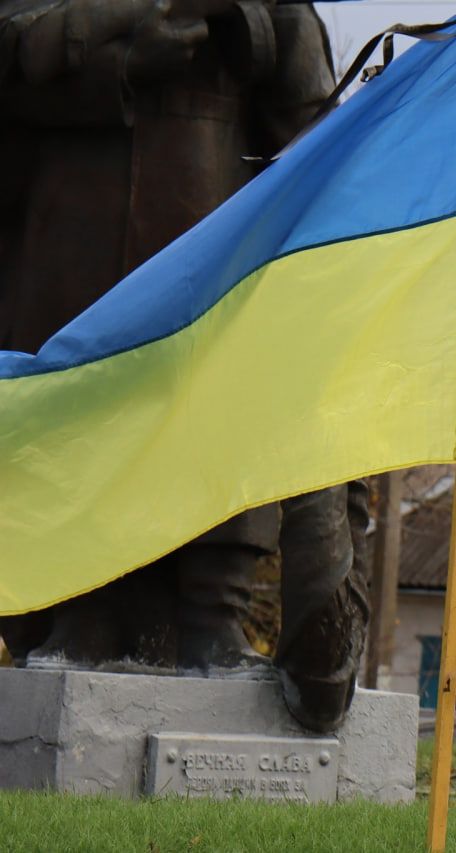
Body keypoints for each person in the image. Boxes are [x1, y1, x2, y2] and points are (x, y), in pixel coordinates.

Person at [0, 0, 369, 732]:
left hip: (214, 211)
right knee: (82, 397)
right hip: (74, 216)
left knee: (213, 401)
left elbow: (311, 119)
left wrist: (261, 32)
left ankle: (214, 612)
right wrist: (122, 55)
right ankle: (79, 608)